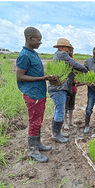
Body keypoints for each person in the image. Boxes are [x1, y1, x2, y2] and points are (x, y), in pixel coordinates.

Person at [16, 27, 53, 162]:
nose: (40, 43)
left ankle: (37, 144)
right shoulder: (24, 55)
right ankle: (33, 151)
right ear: (30, 39)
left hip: (39, 93)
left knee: (39, 120)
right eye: (39, 40)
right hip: (32, 94)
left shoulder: (33, 53)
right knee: (34, 121)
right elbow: (20, 76)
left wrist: (45, 77)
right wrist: (42, 78)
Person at [49, 38, 88, 142]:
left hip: (58, 87)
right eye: (67, 47)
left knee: (58, 111)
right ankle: (56, 135)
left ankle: (56, 132)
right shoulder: (62, 54)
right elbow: (74, 64)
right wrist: (85, 70)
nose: (68, 50)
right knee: (60, 112)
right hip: (59, 88)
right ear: (62, 47)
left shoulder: (58, 54)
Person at [63, 45, 81, 130]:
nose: (71, 52)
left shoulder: (74, 60)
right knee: (65, 106)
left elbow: (78, 73)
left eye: (72, 51)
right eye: (69, 51)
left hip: (73, 86)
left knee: (71, 105)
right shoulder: (63, 61)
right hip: (65, 86)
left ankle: (70, 121)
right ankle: (65, 122)